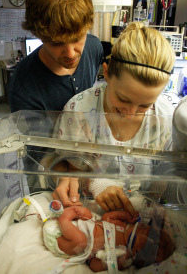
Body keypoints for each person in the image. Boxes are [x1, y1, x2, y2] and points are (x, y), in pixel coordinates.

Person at [49, 21, 175, 213]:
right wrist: (94, 182)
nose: (130, 112)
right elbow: (64, 166)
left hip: (143, 215)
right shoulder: (80, 111)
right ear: (106, 73)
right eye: (123, 99)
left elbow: (169, 174)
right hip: (88, 211)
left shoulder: (164, 119)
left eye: (145, 105)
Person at [8, 0, 103, 112]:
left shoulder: (94, 48)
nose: (70, 54)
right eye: (56, 43)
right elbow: (34, 135)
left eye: (77, 38)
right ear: (39, 35)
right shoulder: (23, 87)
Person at [43, 203, 174, 273]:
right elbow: (106, 218)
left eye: (147, 238)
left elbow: (94, 265)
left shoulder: (121, 250)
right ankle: (62, 217)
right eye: (146, 230)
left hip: (63, 240)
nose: (143, 231)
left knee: (81, 242)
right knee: (88, 213)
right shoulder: (126, 225)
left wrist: (117, 263)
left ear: (137, 252)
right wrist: (124, 216)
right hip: (73, 225)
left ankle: (64, 218)